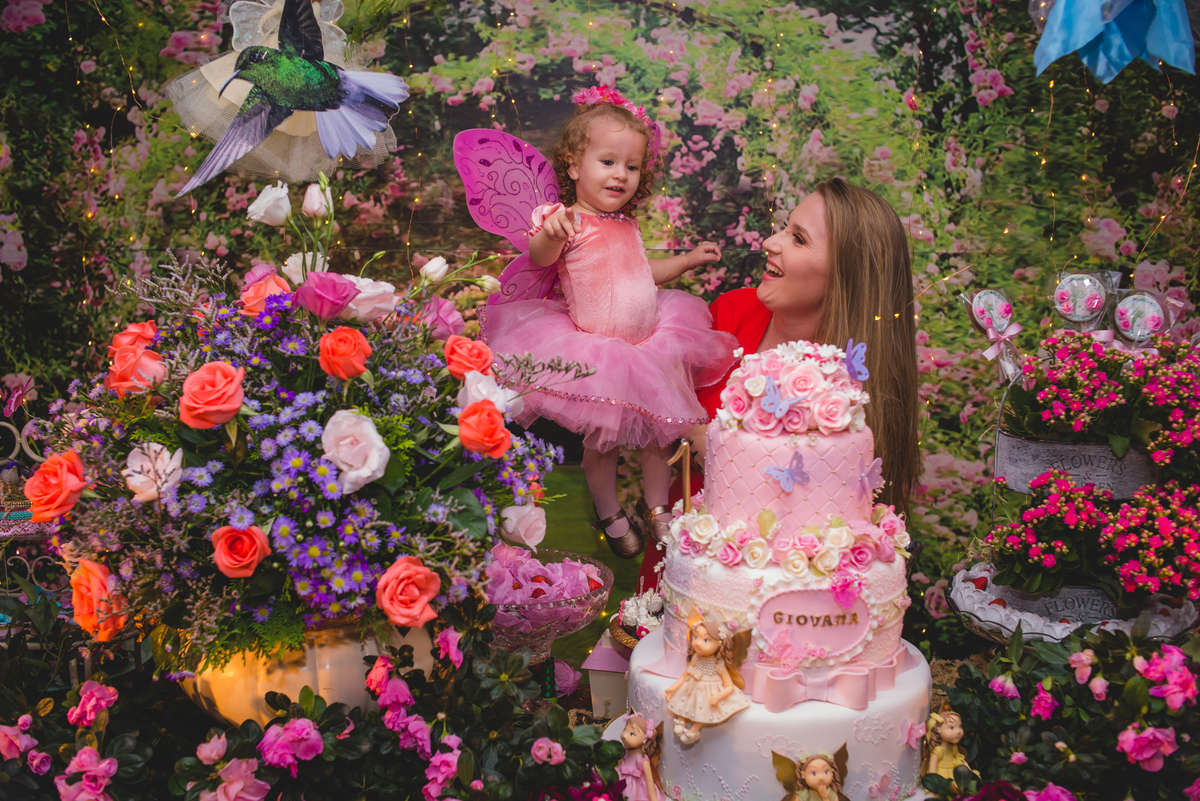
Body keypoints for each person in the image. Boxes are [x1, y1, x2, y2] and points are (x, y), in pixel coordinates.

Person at [481, 87, 738, 559]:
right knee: (603, 443)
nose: (621, 174)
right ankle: (608, 510)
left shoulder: (628, 225)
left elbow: (643, 274)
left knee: (660, 435)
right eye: (607, 162)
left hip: (651, 345)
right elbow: (540, 257)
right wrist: (548, 235)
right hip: (597, 351)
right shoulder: (564, 221)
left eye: (632, 166)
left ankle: (657, 508)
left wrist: (684, 261)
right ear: (575, 166)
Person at [638, 177, 921, 588]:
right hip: (689, 566)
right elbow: (661, 417)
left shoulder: (855, 382)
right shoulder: (730, 315)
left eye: (799, 238)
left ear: (846, 275)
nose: (772, 242)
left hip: (794, 597)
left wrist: (708, 438)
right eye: (785, 227)